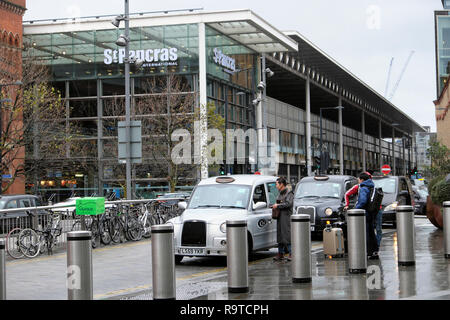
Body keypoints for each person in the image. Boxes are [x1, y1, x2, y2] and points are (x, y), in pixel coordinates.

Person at [355, 172, 379, 260]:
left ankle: (368, 251)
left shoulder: (363, 188)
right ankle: (374, 250)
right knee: (371, 232)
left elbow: (363, 201)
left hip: (365, 213)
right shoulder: (371, 186)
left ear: (362, 180)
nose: (358, 181)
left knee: (366, 233)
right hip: (371, 212)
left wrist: (356, 209)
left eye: (359, 179)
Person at [272, 177, 294, 262]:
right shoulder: (280, 193)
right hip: (280, 216)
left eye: (277, 184)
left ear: (281, 184)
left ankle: (291, 253)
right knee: (280, 235)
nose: (276, 186)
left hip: (286, 217)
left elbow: (288, 204)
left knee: (286, 235)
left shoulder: (289, 193)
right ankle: (280, 253)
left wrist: (277, 206)